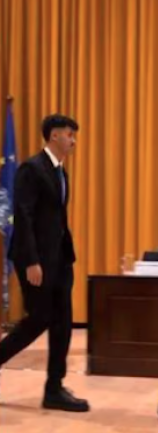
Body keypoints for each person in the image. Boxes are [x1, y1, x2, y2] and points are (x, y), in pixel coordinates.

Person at [0, 114, 88, 412]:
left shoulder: (61, 172)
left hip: (61, 260)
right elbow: (23, 217)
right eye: (69, 135)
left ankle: (54, 388)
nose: (73, 141)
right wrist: (32, 261)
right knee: (38, 319)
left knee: (63, 323)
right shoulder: (31, 169)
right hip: (36, 261)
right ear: (53, 136)